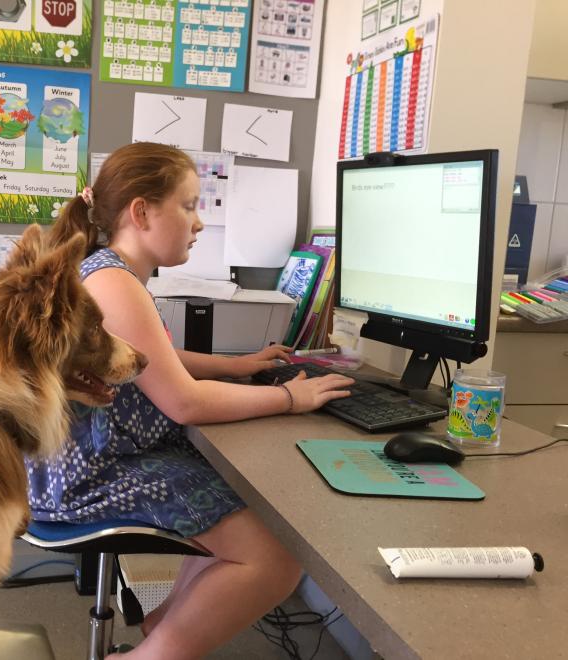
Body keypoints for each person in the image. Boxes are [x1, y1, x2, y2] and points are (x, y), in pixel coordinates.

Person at [26, 142, 354, 660]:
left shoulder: (112, 272)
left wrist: (238, 365)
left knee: (252, 515)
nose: (198, 223)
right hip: (91, 473)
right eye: (188, 205)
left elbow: (154, 358)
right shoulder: (113, 281)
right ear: (141, 211)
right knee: (276, 559)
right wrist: (292, 397)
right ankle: (152, 656)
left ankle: (163, 631)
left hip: (98, 460)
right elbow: (183, 403)